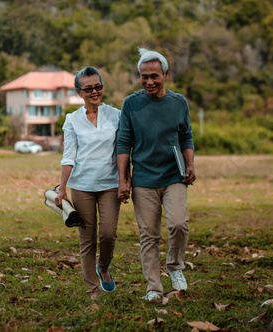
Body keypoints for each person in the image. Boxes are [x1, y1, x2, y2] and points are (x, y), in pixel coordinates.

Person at [117, 48, 196, 301]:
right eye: (144, 76)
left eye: (154, 76)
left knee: (178, 224)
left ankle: (174, 267)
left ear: (166, 75)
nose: (149, 81)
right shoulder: (131, 103)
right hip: (144, 180)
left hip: (175, 176)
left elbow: (186, 136)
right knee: (149, 234)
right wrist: (123, 179)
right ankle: (153, 287)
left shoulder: (178, 102)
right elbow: (123, 143)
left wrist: (190, 164)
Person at [55, 66, 122, 300]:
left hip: (110, 184)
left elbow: (123, 150)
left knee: (109, 234)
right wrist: (62, 187)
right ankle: (93, 290)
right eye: (89, 88)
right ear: (79, 93)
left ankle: (103, 267)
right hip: (82, 186)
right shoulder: (72, 120)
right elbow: (69, 155)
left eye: (98, 86)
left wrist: (125, 179)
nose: (95, 91)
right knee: (87, 240)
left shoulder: (116, 115)